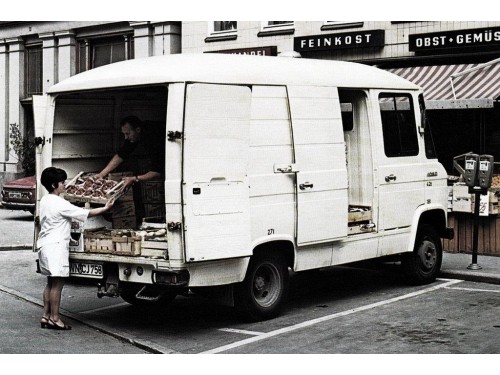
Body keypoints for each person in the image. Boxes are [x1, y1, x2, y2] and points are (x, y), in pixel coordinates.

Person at [37, 167, 114, 330]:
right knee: (58, 284)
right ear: (54, 185)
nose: (64, 185)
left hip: (44, 244)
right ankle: (55, 318)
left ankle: (46, 316)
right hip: (56, 246)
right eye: (62, 182)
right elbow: (86, 213)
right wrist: (105, 208)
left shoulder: (44, 200)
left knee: (50, 283)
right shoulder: (60, 203)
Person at [96, 116, 165, 226]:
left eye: (127, 134)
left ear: (137, 130)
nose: (125, 137)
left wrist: (134, 179)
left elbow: (157, 172)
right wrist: (102, 174)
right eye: (124, 134)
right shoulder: (137, 135)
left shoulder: (154, 140)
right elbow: (122, 153)